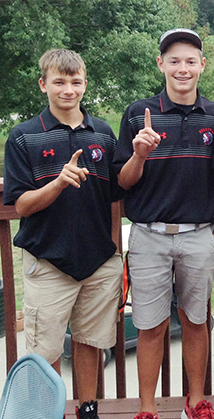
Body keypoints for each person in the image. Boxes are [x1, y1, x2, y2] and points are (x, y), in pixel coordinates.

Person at [114, 28, 214, 419]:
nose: (183, 68)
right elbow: (122, 181)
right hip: (149, 236)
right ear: (161, 63)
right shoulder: (137, 113)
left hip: (199, 236)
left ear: (202, 65)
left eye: (190, 60)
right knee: (150, 327)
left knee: (196, 322)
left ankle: (195, 402)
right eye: (174, 60)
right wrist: (140, 155)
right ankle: (148, 409)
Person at [3, 49, 122, 419]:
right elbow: (21, 205)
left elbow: (114, 198)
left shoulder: (102, 132)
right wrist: (57, 184)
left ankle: (88, 409)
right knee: (45, 350)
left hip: (99, 260)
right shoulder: (23, 137)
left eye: (75, 82)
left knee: (90, 342)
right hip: (48, 261)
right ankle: (49, 412)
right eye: (59, 82)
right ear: (43, 85)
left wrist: (117, 253)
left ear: (84, 84)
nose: (67, 89)